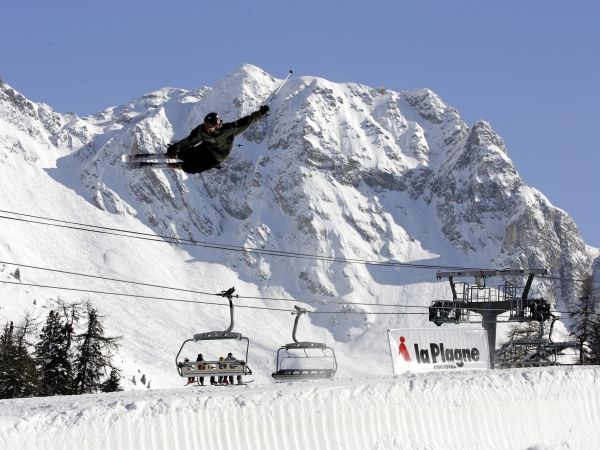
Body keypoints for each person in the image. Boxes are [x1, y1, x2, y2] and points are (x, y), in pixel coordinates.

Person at [165, 105, 270, 174]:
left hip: (216, 157)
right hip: (205, 149)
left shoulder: (229, 129)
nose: (208, 128)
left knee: (194, 167)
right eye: (207, 125)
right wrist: (176, 147)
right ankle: (177, 155)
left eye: (216, 123)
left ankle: (180, 165)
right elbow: (190, 140)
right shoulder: (202, 130)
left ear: (217, 124)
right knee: (187, 154)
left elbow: (247, 121)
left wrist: (261, 112)